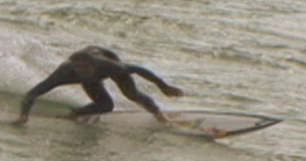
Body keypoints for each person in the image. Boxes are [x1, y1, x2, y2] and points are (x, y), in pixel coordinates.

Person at [13, 46, 184, 124]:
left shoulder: (109, 66)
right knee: (106, 105)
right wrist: (23, 116)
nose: (82, 72)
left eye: (86, 68)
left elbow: (139, 70)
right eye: (79, 69)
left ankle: (158, 114)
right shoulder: (64, 73)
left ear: (93, 65)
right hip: (92, 68)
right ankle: (75, 114)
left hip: (107, 57)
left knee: (131, 94)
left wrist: (163, 86)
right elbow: (32, 93)